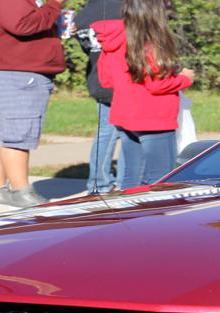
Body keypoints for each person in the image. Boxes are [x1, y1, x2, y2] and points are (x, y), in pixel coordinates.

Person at [0, 0, 65, 210]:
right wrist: (54, 5)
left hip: (6, 70)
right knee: (18, 134)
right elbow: (22, 24)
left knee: (0, 133)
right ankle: (21, 192)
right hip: (17, 74)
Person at [92, 0, 192, 189]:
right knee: (161, 180)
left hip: (125, 117)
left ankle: (131, 216)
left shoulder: (112, 41)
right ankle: (158, 217)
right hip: (155, 119)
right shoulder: (150, 43)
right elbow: (157, 84)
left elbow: (106, 80)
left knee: (132, 178)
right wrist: (184, 78)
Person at [74, 0, 126, 194]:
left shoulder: (85, 13)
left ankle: (99, 182)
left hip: (98, 77)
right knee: (129, 134)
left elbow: (86, 45)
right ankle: (123, 183)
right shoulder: (125, 7)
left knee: (106, 132)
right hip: (122, 79)